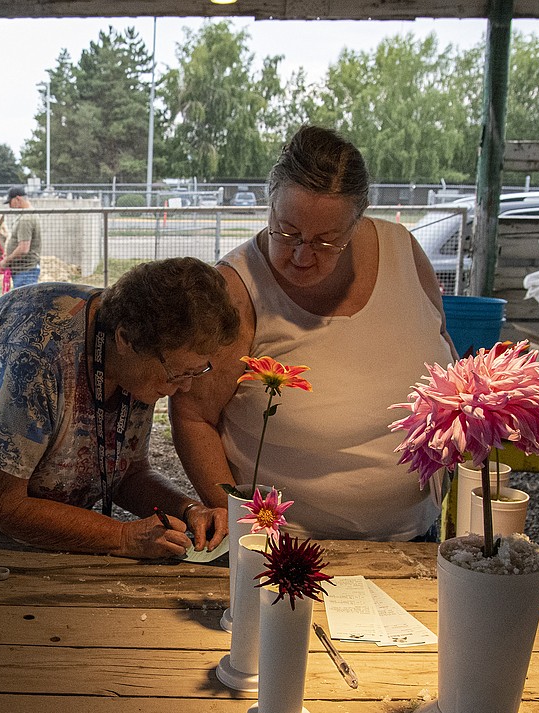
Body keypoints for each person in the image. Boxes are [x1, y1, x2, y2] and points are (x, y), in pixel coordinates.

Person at [170, 125, 457, 543]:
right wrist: (242, 525)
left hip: (413, 534)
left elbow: (441, 348)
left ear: (358, 221)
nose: (302, 255)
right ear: (270, 204)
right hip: (287, 545)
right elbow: (193, 416)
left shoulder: (403, 250)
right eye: (286, 232)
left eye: (327, 241)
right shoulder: (236, 291)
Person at [0, 256, 239, 559]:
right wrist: (121, 537)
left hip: (10, 500)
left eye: (198, 371)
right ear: (126, 339)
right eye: (179, 373)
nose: (186, 387)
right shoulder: (37, 354)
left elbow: (124, 474)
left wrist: (188, 510)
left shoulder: (136, 363)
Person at [0, 185, 41, 288]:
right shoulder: (26, 215)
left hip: (25, 271)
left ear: (17, 199)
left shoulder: (25, 219)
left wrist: (6, 261)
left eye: (10, 202)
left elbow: (23, 248)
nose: (10, 206)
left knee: (24, 302)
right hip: (23, 271)